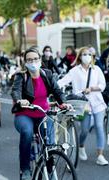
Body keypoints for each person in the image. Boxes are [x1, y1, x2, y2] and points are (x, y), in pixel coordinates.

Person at [11, 47, 70, 180]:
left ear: (40, 60)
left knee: (49, 142)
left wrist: (63, 102)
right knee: (27, 132)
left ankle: (49, 166)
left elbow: (57, 91)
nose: (33, 62)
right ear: (25, 62)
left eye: (35, 59)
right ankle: (25, 169)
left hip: (43, 113)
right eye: (29, 60)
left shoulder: (47, 74)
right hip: (24, 115)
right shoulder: (21, 76)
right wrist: (19, 100)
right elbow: (15, 91)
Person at [57, 47, 109, 165]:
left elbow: (103, 85)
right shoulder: (75, 70)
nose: (87, 56)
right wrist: (51, 87)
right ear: (80, 56)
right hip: (83, 104)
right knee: (84, 130)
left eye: (89, 54)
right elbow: (63, 81)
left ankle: (100, 155)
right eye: (84, 54)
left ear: (92, 57)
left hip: (97, 102)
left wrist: (91, 88)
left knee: (99, 127)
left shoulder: (97, 69)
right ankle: (81, 146)